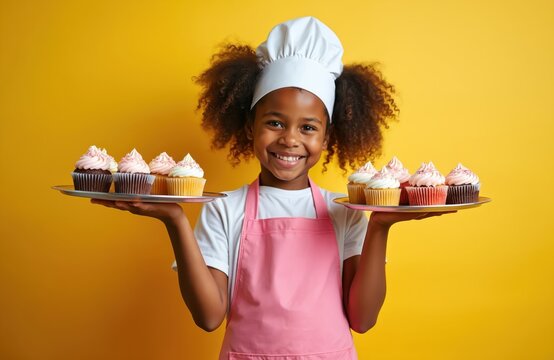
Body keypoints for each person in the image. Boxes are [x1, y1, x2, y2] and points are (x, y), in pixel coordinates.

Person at [93, 16, 452, 360]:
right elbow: (208, 317)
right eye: (275, 122)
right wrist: (174, 220)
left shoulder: (346, 211)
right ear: (250, 126)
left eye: (308, 128)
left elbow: (363, 319)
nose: (290, 139)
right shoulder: (224, 208)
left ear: (327, 137)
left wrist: (380, 225)